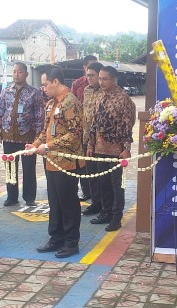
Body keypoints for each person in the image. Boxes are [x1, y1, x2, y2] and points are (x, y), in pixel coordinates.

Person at [25, 66, 84, 259]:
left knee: (68, 203)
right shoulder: (51, 103)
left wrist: (48, 146)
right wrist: (34, 145)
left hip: (67, 162)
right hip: (51, 162)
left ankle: (71, 242)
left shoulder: (70, 102)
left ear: (56, 82)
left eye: (45, 84)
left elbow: (75, 135)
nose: (43, 88)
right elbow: (45, 130)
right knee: (55, 202)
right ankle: (56, 238)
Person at [86, 66, 136, 231]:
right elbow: (95, 122)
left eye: (105, 79)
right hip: (100, 148)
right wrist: (91, 143)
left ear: (114, 79)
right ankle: (105, 212)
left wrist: (126, 148)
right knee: (103, 182)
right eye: (100, 79)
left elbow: (128, 127)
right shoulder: (101, 96)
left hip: (116, 150)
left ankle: (116, 217)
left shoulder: (124, 99)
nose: (101, 82)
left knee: (117, 184)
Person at [0, 62, 45, 207]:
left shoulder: (34, 93)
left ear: (26, 74)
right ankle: (11, 197)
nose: (17, 74)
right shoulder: (6, 91)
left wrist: (37, 137)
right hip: (8, 137)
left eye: (20, 72)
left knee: (29, 168)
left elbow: (39, 115)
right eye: (14, 72)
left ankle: (29, 198)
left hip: (28, 138)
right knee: (10, 167)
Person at [70, 55, 98, 201]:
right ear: (84, 67)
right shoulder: (78, 85)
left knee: (95, 167)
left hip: (97, 135)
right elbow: (72, 107)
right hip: (82, 131)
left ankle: (97, 198)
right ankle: (87, 192)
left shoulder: (101, 87)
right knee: (83, 165)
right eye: (90, 67)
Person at [80, 62, 104, 216]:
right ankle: (96, 203)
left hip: (102, 141)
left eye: (92, 75)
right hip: (86, 139)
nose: (89, 78)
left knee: (103, 176)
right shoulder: (86, 91)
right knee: (91, 174)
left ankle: (107, 206)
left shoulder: (106, 91)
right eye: (87, 75)